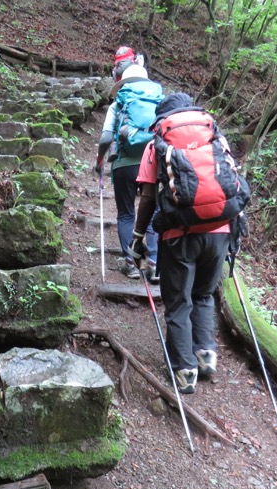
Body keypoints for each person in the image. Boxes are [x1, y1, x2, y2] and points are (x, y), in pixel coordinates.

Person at [130, 92, 232, 394]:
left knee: (177, 304)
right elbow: (231, 183)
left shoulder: (157, 144)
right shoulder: (215, 138)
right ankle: (205, 354)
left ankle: (185, 370)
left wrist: (138, 238)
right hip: (220, 229)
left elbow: (148, 198)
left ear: (164, 120)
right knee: (203, 295)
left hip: (178, 233)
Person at [94, 48, 162, 281]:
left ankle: (131, 264)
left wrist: (100, 160)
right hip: (153, 163)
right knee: (152, 212)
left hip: (124, 163)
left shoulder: (119, 102)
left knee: (126, 213)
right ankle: (153, 263)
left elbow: (105, 138)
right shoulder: (157, 101)